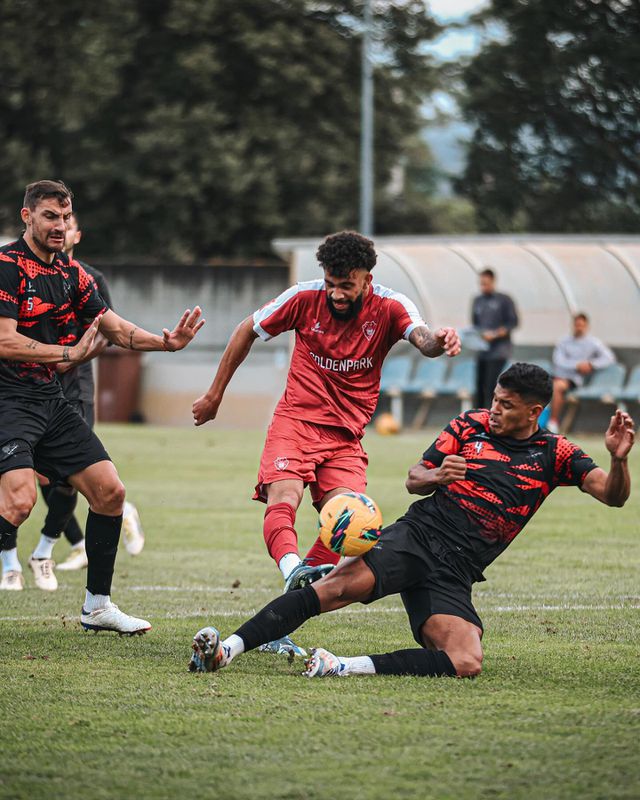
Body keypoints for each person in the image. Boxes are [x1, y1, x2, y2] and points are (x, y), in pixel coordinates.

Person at [187, 363, 634, 677]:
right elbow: (413, 479)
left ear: (534, 411)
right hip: (418, 537)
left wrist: (618, 461)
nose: (495, 411)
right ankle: (227, 650)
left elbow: (612, 496)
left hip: (457, 571)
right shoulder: (468, 426)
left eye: (507, 406)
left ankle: (340, 666)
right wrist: (439, 474)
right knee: (332, 589)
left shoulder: (556, 453)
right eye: (495, 400)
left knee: (465, 661)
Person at [192, 230, 461, 599]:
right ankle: (293, 570)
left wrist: (440, 341)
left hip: (346, 436)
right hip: (296, 421)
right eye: (331, 283)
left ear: (368, 279)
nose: (336, 293)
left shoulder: (390, 306)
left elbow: (422, 338)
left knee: (348, 520)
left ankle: (294, 601)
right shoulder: (304, 297)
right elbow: (246, 330)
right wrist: (214, 394)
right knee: (285, 497)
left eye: (347, 285)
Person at [0, 180, 204, 633]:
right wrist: (68, 355)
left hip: (49, 402)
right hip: (7, 401)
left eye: (65, 217)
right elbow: (5, 341)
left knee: (110, 493)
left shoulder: (73, 276)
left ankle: (97, 607)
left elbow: (113, 327)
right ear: (27, 216)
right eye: (50, 216)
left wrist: (165, 342)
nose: (59, 225)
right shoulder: (6, 266)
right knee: (19, 501)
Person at [547, 312, 616, 434]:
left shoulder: (593, 343)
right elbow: (558, 361)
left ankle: (552, 422)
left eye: (582, 325)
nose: (579, 327)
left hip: (572, 380)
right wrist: (577, 365)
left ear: (587, 326)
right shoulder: (563, 341)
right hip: (556, 375)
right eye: (577, 325)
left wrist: (591, 364)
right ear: (573, 325)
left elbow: (609, 358)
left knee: (557, 386)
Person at [471, 268, 519, 409]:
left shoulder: (504, 300)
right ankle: (477, 420)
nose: (483, 287)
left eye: (485, 283)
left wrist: (495, 334)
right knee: (480, 386)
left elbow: (512, 323)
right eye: (481, 284)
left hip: (499, 352)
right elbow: (475, 325)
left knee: (492, 386)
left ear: (493, 281)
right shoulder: (477, 301)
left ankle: (491, 420)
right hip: (482, 351)